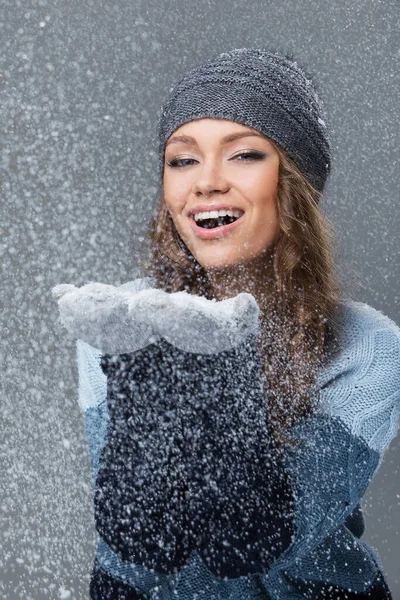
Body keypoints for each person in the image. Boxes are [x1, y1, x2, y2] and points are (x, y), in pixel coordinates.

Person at [52, 48, 400, 599]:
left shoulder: (370, 347)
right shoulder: (121, 319)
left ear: (294, 184)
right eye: (183, 160)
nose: (205, 183)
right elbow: (137, 546)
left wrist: (216, 360)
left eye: (242, 155)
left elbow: (263, 542)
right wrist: (144, 363)